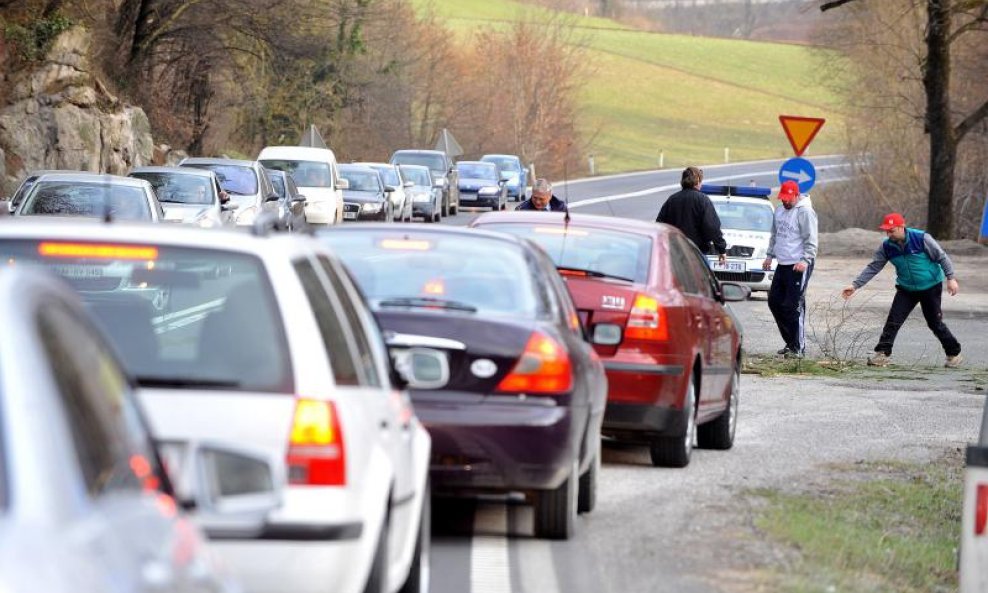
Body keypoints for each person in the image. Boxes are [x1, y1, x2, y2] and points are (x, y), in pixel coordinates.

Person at [841, 212, 962, 368]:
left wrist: (951, 278)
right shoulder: (887, 246)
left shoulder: (921, 239)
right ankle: (882, 354)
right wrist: (855, 285)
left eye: (891, 230)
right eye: (886, 231)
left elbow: (942, 257)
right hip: (906, 289)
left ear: (901, 227)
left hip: (930, 286)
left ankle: (953, 354)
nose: (888, 234)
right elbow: (874, 267)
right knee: (893, 321)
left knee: (935, 323)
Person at [762, 180, 818, 358]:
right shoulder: (779, 211)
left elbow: (811, 240)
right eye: (783, 198)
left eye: (788, 198)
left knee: (793, 305)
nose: (785, 202)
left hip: (798, 264)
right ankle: (790, 342)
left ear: (796, 195)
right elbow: (775, 235)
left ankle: (798, 348)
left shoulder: (805, 212)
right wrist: (769, 256)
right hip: (783, 263)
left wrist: (805, 259)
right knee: (775, 302)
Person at [655, 166, 727, 263]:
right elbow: (712, 227)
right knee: (703, 278)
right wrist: (721, 249)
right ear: (697, 181)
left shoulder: (672, 199)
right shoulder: (703, 200)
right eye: (701, 181)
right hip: (696, 253)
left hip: (675, 253)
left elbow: (660, 225)